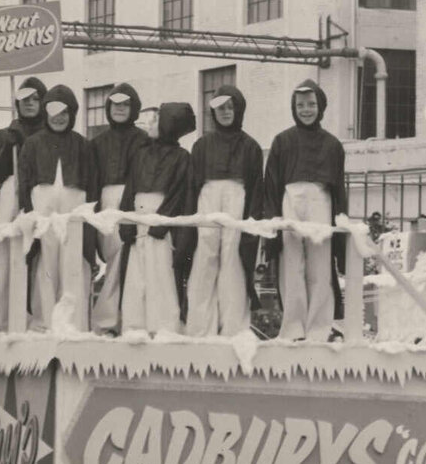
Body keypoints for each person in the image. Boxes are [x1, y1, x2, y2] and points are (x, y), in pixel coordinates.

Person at [263, 79, 348, 341]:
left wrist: (340, 223)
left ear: (320, 106)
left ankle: (319, 329)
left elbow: (338, 189)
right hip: (290, 202)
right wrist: (272, 221)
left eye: (311, 104)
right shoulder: (282, 141)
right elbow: (272, 185)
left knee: (320, 268)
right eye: (300, 105)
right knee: (292, 266)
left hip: (320, 203)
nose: (306, 110)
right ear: (293, 107)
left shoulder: (332, 144)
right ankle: (293, 328)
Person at [15, 84, 101, 331]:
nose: (59, 117)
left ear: (72, 114)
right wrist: (29, 212)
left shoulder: (84, 145)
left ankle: (74, 323)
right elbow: (25, 181)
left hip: (75, 212)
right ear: (46, 112)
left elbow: (93, 182)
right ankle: (43, 322)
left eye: (64, 112)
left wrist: (90, 215)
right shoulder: (32, 144)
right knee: (45, 265)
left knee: (74, 265)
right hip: (44, 213)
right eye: (53, 111)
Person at [186, 83, 264, 337]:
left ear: (238, 109)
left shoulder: (250, 146)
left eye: (230, 107)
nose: (226, 112)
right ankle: (200, 328)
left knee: (233, 259)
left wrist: (252, 220)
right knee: (204, 258)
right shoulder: (201, 146)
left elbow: (255, 186)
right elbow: (192, 184)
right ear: (212, 112)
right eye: (220, 108)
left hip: (237, 199)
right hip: (208, 198)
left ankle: (233, 328)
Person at [117, 101, 197, 335]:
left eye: (157, 119)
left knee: (159, 275)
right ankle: (134, 326)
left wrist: (161, 224)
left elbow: (178, 193)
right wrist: (127, 222)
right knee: (135, 275)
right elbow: (130, 189)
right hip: (138, 216)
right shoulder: (140, 153)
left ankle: (163, 327)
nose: (150, 123)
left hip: (161, 222)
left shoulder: (182, 157)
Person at [0, 76, 46, 331]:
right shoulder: (5, 134)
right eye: (24, 100)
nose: (29, 104)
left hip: (38, 197)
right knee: (6, 254)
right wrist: (5, 148)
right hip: (11, 198)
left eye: (35, 99)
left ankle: (35, 319)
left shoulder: (49, 134)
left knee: (37, 257)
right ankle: (6, 319)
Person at [88, 82, 151, 335]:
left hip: (133, 201)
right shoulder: (97, 142)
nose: (120, 109)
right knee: (113, 257)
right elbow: (93, 179)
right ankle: (112, 318)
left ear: (133, 108)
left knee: (129, 259)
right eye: (115, 104)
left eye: (125, 104)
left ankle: (115, 319)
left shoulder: (144, 140)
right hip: (106, 201)